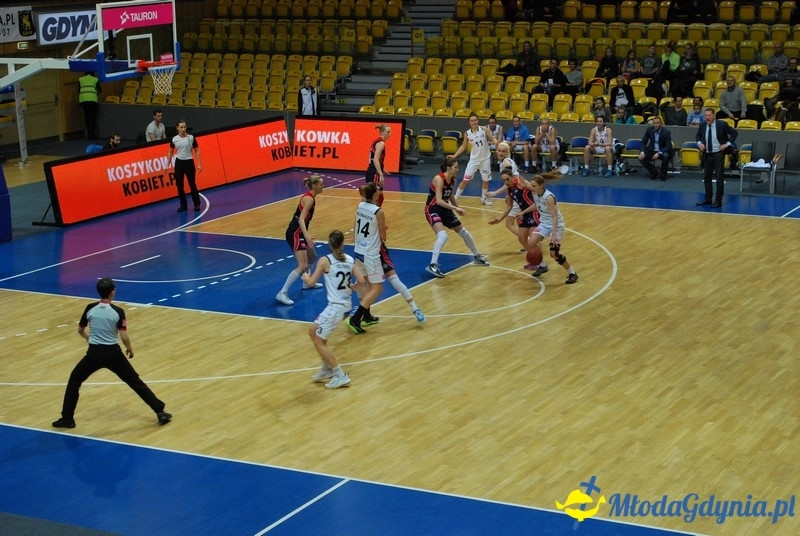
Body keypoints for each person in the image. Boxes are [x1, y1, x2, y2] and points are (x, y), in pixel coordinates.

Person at [51, 278, 172, 429]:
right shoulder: (118, 312)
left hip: (94, 353)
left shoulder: (90, 308)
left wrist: (89, 339)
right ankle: (160, 412)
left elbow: (80, 330)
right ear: (112, 293)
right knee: (134, 381)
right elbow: (124, 336)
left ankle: (67, 418)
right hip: (114, 354)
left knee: (74, 380)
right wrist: (129, 348)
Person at [301, 230, 363, 389]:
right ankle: (326, 369)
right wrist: (353, 287)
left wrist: (306, 278)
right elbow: (362, 281)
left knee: (319, 341)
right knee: (312, 331)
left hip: (336, 307)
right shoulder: (350, 260)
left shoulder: (325, 260)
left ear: (329, 244)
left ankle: (340, 375)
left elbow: (311, 283)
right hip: (344, 306)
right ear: (342, 243)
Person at [424, 157, 490, 278]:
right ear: (449, 168)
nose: (458, 169)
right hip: (433, 209)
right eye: (456, 167)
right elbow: (438, 201)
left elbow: (450, 196)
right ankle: (432, 265)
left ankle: (476, 256)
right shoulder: (439, 179)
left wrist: (457, 208)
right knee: (443, 235)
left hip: (445, 209)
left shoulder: (452, 180)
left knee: (464, 232)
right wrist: (455, 208)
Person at [275, 174, 325, 305]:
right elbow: (301, 219)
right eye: (321, 184)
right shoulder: (309, 199)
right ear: (314, 185)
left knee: (312, 257)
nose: (323, 186)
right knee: (302, 265)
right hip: (295, 233)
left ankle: (306, 282)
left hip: (300, 233)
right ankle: (282, 293)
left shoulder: (311, 197)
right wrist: (306, 235)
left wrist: (306, 234)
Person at [526, 171, 579, 284]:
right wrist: (522, 212)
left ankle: (572, 273)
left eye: (534, 186)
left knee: (554, 254)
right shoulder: (535, 194)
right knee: (531, 242)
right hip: (544, 224)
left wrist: (553, 234)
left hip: (556, 225)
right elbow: (536, 205)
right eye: (531, 186)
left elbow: (555, 217)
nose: (532, 188)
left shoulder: (549, 197)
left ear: (541, 185)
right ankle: (542, 265)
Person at [347, 183, 386, 334]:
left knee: (369, 283)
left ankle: (367, 315)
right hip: (370, 253)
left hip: (358, 249)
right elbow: (383, 236)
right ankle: (356, 318)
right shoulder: (378, 211)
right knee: (377, 287)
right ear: (375, 194)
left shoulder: (360, 205)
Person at [489, 169, 542, 267]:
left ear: (512, 177)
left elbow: (537, 190)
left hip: (533, 211)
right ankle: (534, 261)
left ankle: (541, 263)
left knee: (533, 240)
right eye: (504, 180)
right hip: (523, 213)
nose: (506, 182)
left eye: (507, 179)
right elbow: (509, 206)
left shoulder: (521, 183)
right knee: (522, 239)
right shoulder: (509, 189)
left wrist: (528, 186)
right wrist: (500, 219)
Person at [451, 113, 498, 205]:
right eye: (472, 121)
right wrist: (454, 156)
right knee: (465, 180)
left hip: (485, 159)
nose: (474, 122)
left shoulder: (484, 130)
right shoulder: (467, 133)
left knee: (485, 180)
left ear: (478, 121)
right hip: (474, 160)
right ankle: (455, 199)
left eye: (475, 120)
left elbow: (493, 139)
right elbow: (463, 146)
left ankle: (483, 199)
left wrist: (497, 143)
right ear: (469, 122)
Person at [696, 108, 738, 208]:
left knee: (719, 178)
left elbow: (734, 133)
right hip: (707, 154)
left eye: (709, 115)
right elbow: (698, 136)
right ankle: (708, 198)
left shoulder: (721, 124)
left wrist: (727, 144)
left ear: (714, 116)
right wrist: (699, 143)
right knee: (707, 177)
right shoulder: (703, 125)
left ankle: (718, 200)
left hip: (718, 154)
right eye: (706, 115)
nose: (707, 118)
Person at [486, 141, 524, 245]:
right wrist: (508, 195)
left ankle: (528, 240)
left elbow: (510, 181)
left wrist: (495, 193)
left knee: (509, 223)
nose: (500, 153)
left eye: (503, 151)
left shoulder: (506, 163)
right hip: (516, 192)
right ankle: (528, 241)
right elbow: (509, 182)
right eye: (499, 151)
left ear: (507, 152)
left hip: (519, 193)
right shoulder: (505, 161)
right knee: (519, 221)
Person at [167, 120, 203, 212]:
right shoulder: (174, 139)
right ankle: (183, 205)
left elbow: (197, 150)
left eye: (184, 127)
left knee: (192, 184)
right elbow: (170, 152)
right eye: (181, 127)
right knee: (179, 185)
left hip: (189, 162)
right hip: (179, 163)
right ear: (177, 128)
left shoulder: (191, 137)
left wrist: (199, 164)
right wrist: (167, 164)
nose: (183, 129)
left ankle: (197, 204)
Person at [638, 116, 672, 181]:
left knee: (666, 156)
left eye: (657, 123)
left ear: (661, 124)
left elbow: (668, 146)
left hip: (662, 150)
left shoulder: (666, 132)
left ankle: (663, 175)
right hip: (652, 150)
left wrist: (659, 153)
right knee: (641, 158)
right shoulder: (649, 130)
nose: (655, 125)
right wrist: (642, 152)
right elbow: (643, 142)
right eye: (654, 123)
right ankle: (654, 172)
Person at [366, 123, 391, 207]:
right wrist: (380, 174)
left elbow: (375, 159)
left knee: (374, 196)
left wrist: (383, 169)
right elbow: (375, 159)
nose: (390, 134)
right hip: (374, 173)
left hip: (371, 170)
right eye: (388, 132)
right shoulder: (381, 143)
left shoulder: (377, 141)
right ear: (382, 132)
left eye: (390, 132)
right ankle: (370, 212)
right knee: (373, 197)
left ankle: (368, 212)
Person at [78, 71, 101, 139]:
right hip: (93, 100)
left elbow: (78, 90)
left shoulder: (81, 79)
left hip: (84, 100)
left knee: (87, 117)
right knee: (93, 117)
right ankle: (93, 134)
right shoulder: (95, 79)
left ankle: (89, 133)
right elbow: (100, 90)